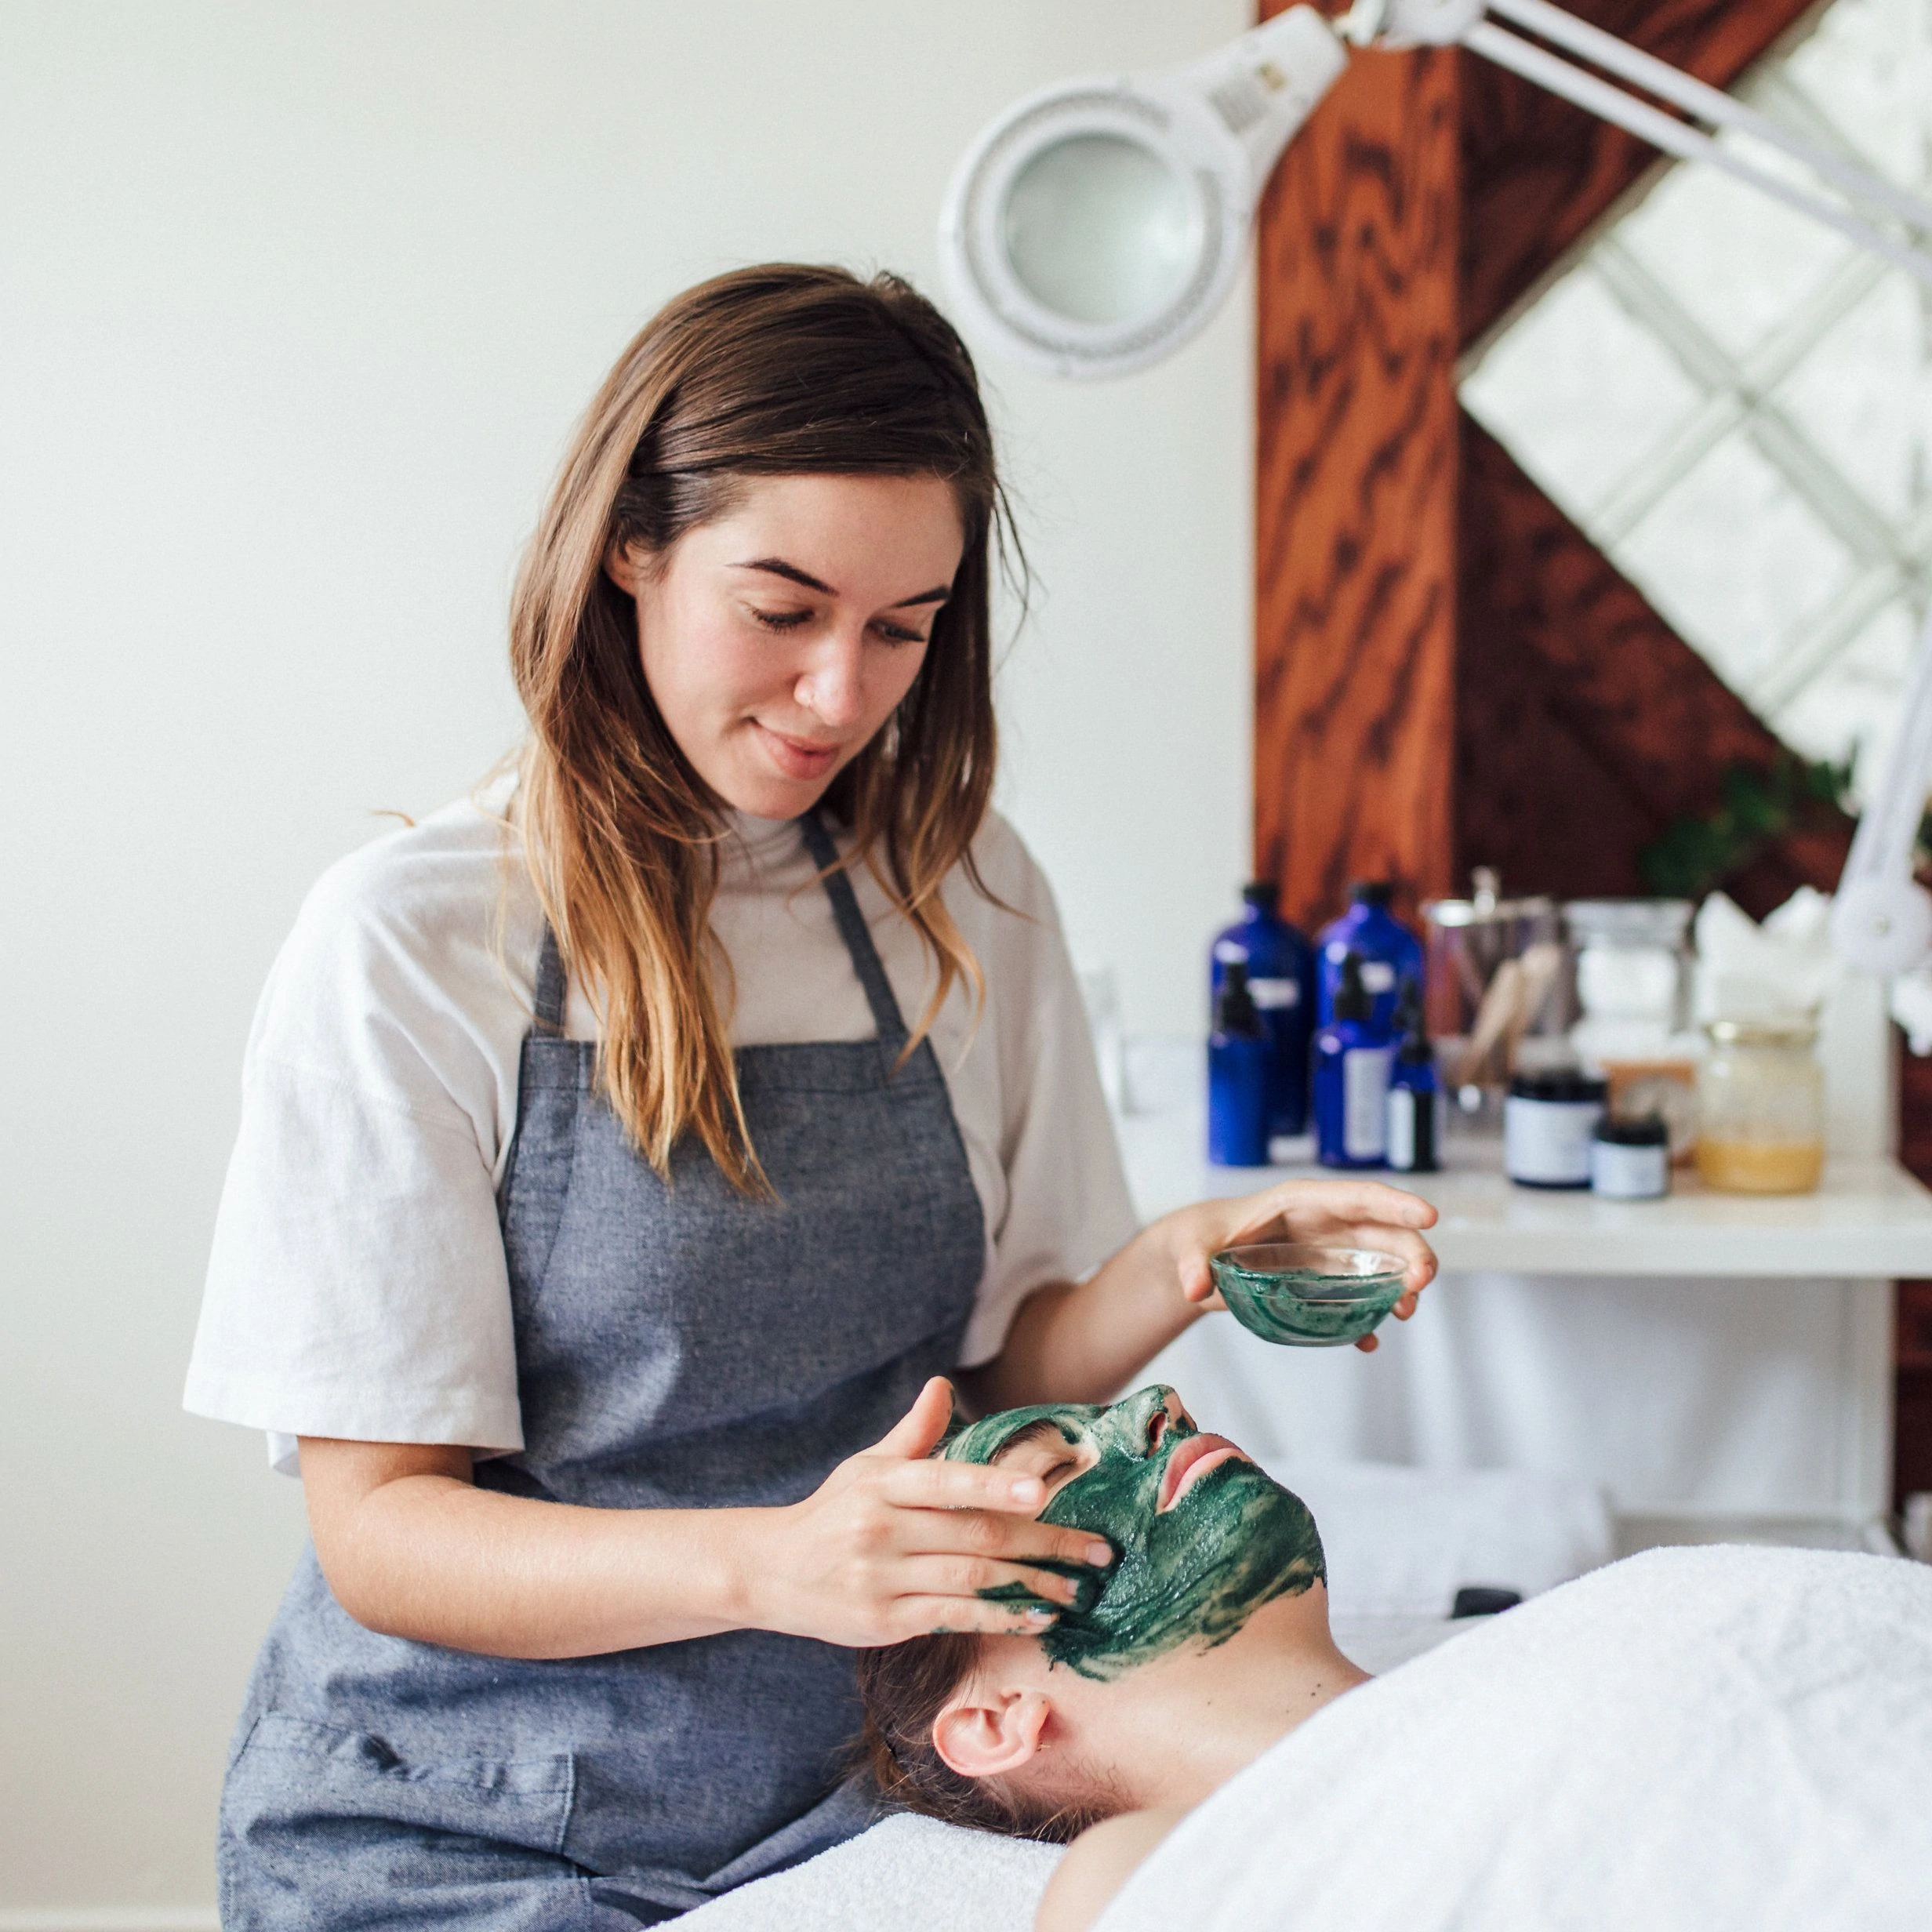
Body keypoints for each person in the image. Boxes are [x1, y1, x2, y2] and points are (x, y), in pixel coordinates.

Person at [183, 263, 1438, 1928]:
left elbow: (988, 1374)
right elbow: (388, 1534)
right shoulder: (418, 941)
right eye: (782, 609)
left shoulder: (959, 896)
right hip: (467, 1826)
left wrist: (1185, 1258)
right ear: (630, 543)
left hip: (859, 1806)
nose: (841, 693)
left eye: (901, 628)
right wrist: (775, 1559)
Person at [858, 1385, 1932, 1932]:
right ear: (993, 1719)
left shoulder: (1520, 1655)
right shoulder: (1135, 1877)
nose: (1160, 1405)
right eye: (1052, 1466)